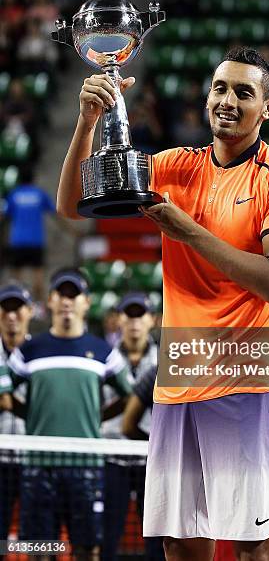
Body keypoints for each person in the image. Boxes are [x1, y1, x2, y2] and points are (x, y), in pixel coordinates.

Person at [57, 47, 269, 561]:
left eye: (245, 92)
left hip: (250, 377)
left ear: (268, 108)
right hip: (180, 378)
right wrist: (86, 124)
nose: (227, 100)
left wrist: (186, 231)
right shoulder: (177, 166)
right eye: (220, 88)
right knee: (179, 542)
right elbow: (71, 206)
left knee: (250, 543)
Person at [7, 268, 133, 560]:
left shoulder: (102, 352)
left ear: (86, 302)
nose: (67, 301)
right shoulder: (29, 351)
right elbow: (4, 395)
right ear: (49, 301)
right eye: (61, 294)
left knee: (87, 549)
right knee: (41, 549)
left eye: (73, 295)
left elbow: (130, 395)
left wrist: (95, 417)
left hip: (86, 464)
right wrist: (31, 414)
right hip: (39, 464)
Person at [101, 292, 163, 561]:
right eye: (129, 314)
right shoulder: (104, 360)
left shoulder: (168, 360)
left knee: (157, 538)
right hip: (113, 459)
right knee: (108, 536)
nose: (135, 321)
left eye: (141, 315)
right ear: (118, 320)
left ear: (153, 320)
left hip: (153, 462)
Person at [2, 166, 77, 301]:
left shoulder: (14, 195)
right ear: (33, 178)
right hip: (36, 241)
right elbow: (56, 216)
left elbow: (3, 217)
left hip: (17, 241)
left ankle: (18, 303)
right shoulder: (39, 194)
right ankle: (39, 307)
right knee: (38, 276)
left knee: (17, 280)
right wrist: (72, 231)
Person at [0, 283, 33, 551]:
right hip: (0, 461)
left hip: (32, 458)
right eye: (5, 309)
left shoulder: (41, 352)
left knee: (36, 538)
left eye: (17, 309)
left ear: (30, 312)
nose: (11, 316)